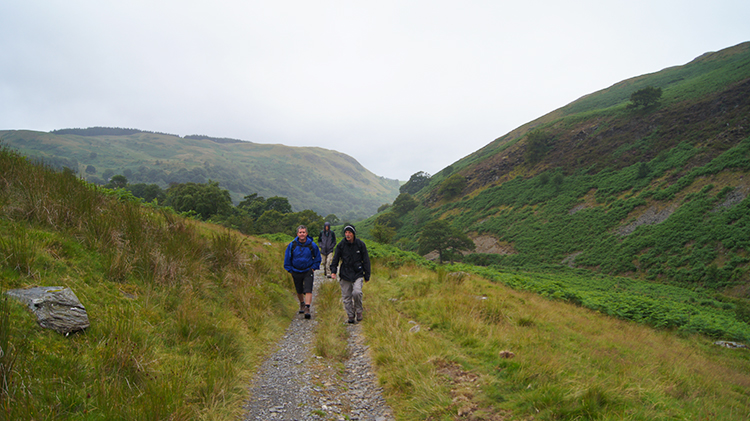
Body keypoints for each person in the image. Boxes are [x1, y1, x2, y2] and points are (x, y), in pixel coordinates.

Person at [330, 224, 370, 324]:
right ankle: (350, 315)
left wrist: (367, 274)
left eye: (349, 233)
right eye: (346, 233)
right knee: (346, 296)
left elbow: (366, 260)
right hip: (345, 273)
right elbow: (335, 259)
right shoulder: (341, 245)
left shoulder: (360, 244)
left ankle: (359, 311)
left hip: (358, 273)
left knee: (357, 292)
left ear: (353, 234)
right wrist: (333, 271)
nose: (347, 235)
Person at [283, 225, 321, 319]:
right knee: (299, 289)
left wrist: (313, 268)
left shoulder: (312, 244)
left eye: (303, 232)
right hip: (295, 270)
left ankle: (307, 308)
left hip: (308, 270)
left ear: (306, 234)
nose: (302, 234)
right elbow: (287, 257)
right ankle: (302, 303)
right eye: (300, 232)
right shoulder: (292, 245)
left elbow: (317, 257)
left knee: (308, 289)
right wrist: (290, 269)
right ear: (297, 234)